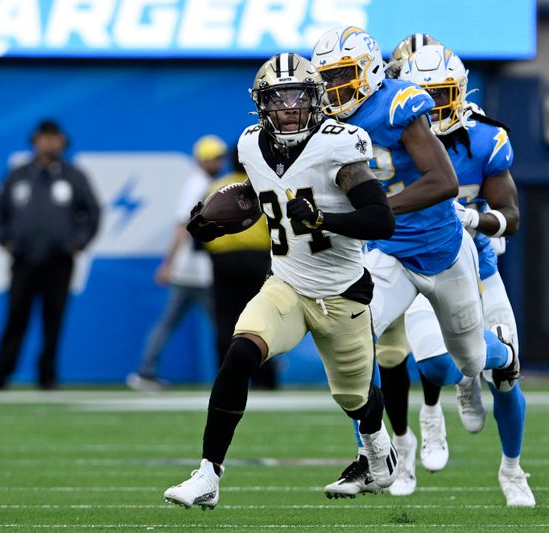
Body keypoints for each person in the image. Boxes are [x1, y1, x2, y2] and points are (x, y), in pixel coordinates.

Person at [163, 52, 398, 509]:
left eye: (297, 98)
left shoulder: (340, 145)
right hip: (286, 283)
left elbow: (381, 220)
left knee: (354, 398)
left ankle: (377, 451)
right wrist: (217, 220)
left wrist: (324, 218)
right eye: (277, 99)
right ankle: (208, 474)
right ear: (261, 105)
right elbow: (258, 196)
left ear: (317, 100)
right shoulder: (250, 144)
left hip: (342, 291)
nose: (288, 108)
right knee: (239, 355)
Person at [310, 26, 518, 499]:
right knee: (352, 339)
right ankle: (372, 456)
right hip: (387, 252)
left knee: (468, 358)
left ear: (366, 70)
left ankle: (504, 355)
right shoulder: (326, 120)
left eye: (343, 75)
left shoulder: (399, 103)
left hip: (442, 251)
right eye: (329, 78)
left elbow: (443, 181)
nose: (335, 88)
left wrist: (376, 210)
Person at [377, 43, 534, 506]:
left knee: (506, 382)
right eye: (426, 95)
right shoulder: (387, 135)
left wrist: (478, 220)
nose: (436, 107)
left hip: (479, 267)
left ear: (461, 92)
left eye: (444, 94)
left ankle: (512, 469)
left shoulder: (484, 139)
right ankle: (472, 370)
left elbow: (511, 216)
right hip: (421, 263)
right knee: (437, 366)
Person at [0, 119, 100, 390]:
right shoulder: (19, 174)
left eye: (54, 137)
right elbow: (0, 211)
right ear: (35, 140)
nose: (49, 142)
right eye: (43, 137)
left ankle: (47, 376)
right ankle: (0, 375)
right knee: (15, 317)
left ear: (62, 141)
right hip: (24, 259)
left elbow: (92, 213)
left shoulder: (74, 176)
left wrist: (78, 242)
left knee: (53, 319)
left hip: (59, 261)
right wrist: (6, 239)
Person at [126, 135, 222, 392]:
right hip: (195, 269)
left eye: (220, 157)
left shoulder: (204, 183)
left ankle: (145, 371)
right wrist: (168, 263)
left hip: (194, 269)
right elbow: (182, 226)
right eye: (214, 157)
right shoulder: (198, 186)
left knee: (171, 322)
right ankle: (237, 375)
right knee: (222, 324)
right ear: (202, 159)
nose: (218, 162)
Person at [203, 147, 273, 388]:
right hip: (258, 258)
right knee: (263, 318)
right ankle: (264, 379)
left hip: (223, 258)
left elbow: (202, 226)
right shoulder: (263, 185)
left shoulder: (217, 187)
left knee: (225, 320)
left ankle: (226, 377)